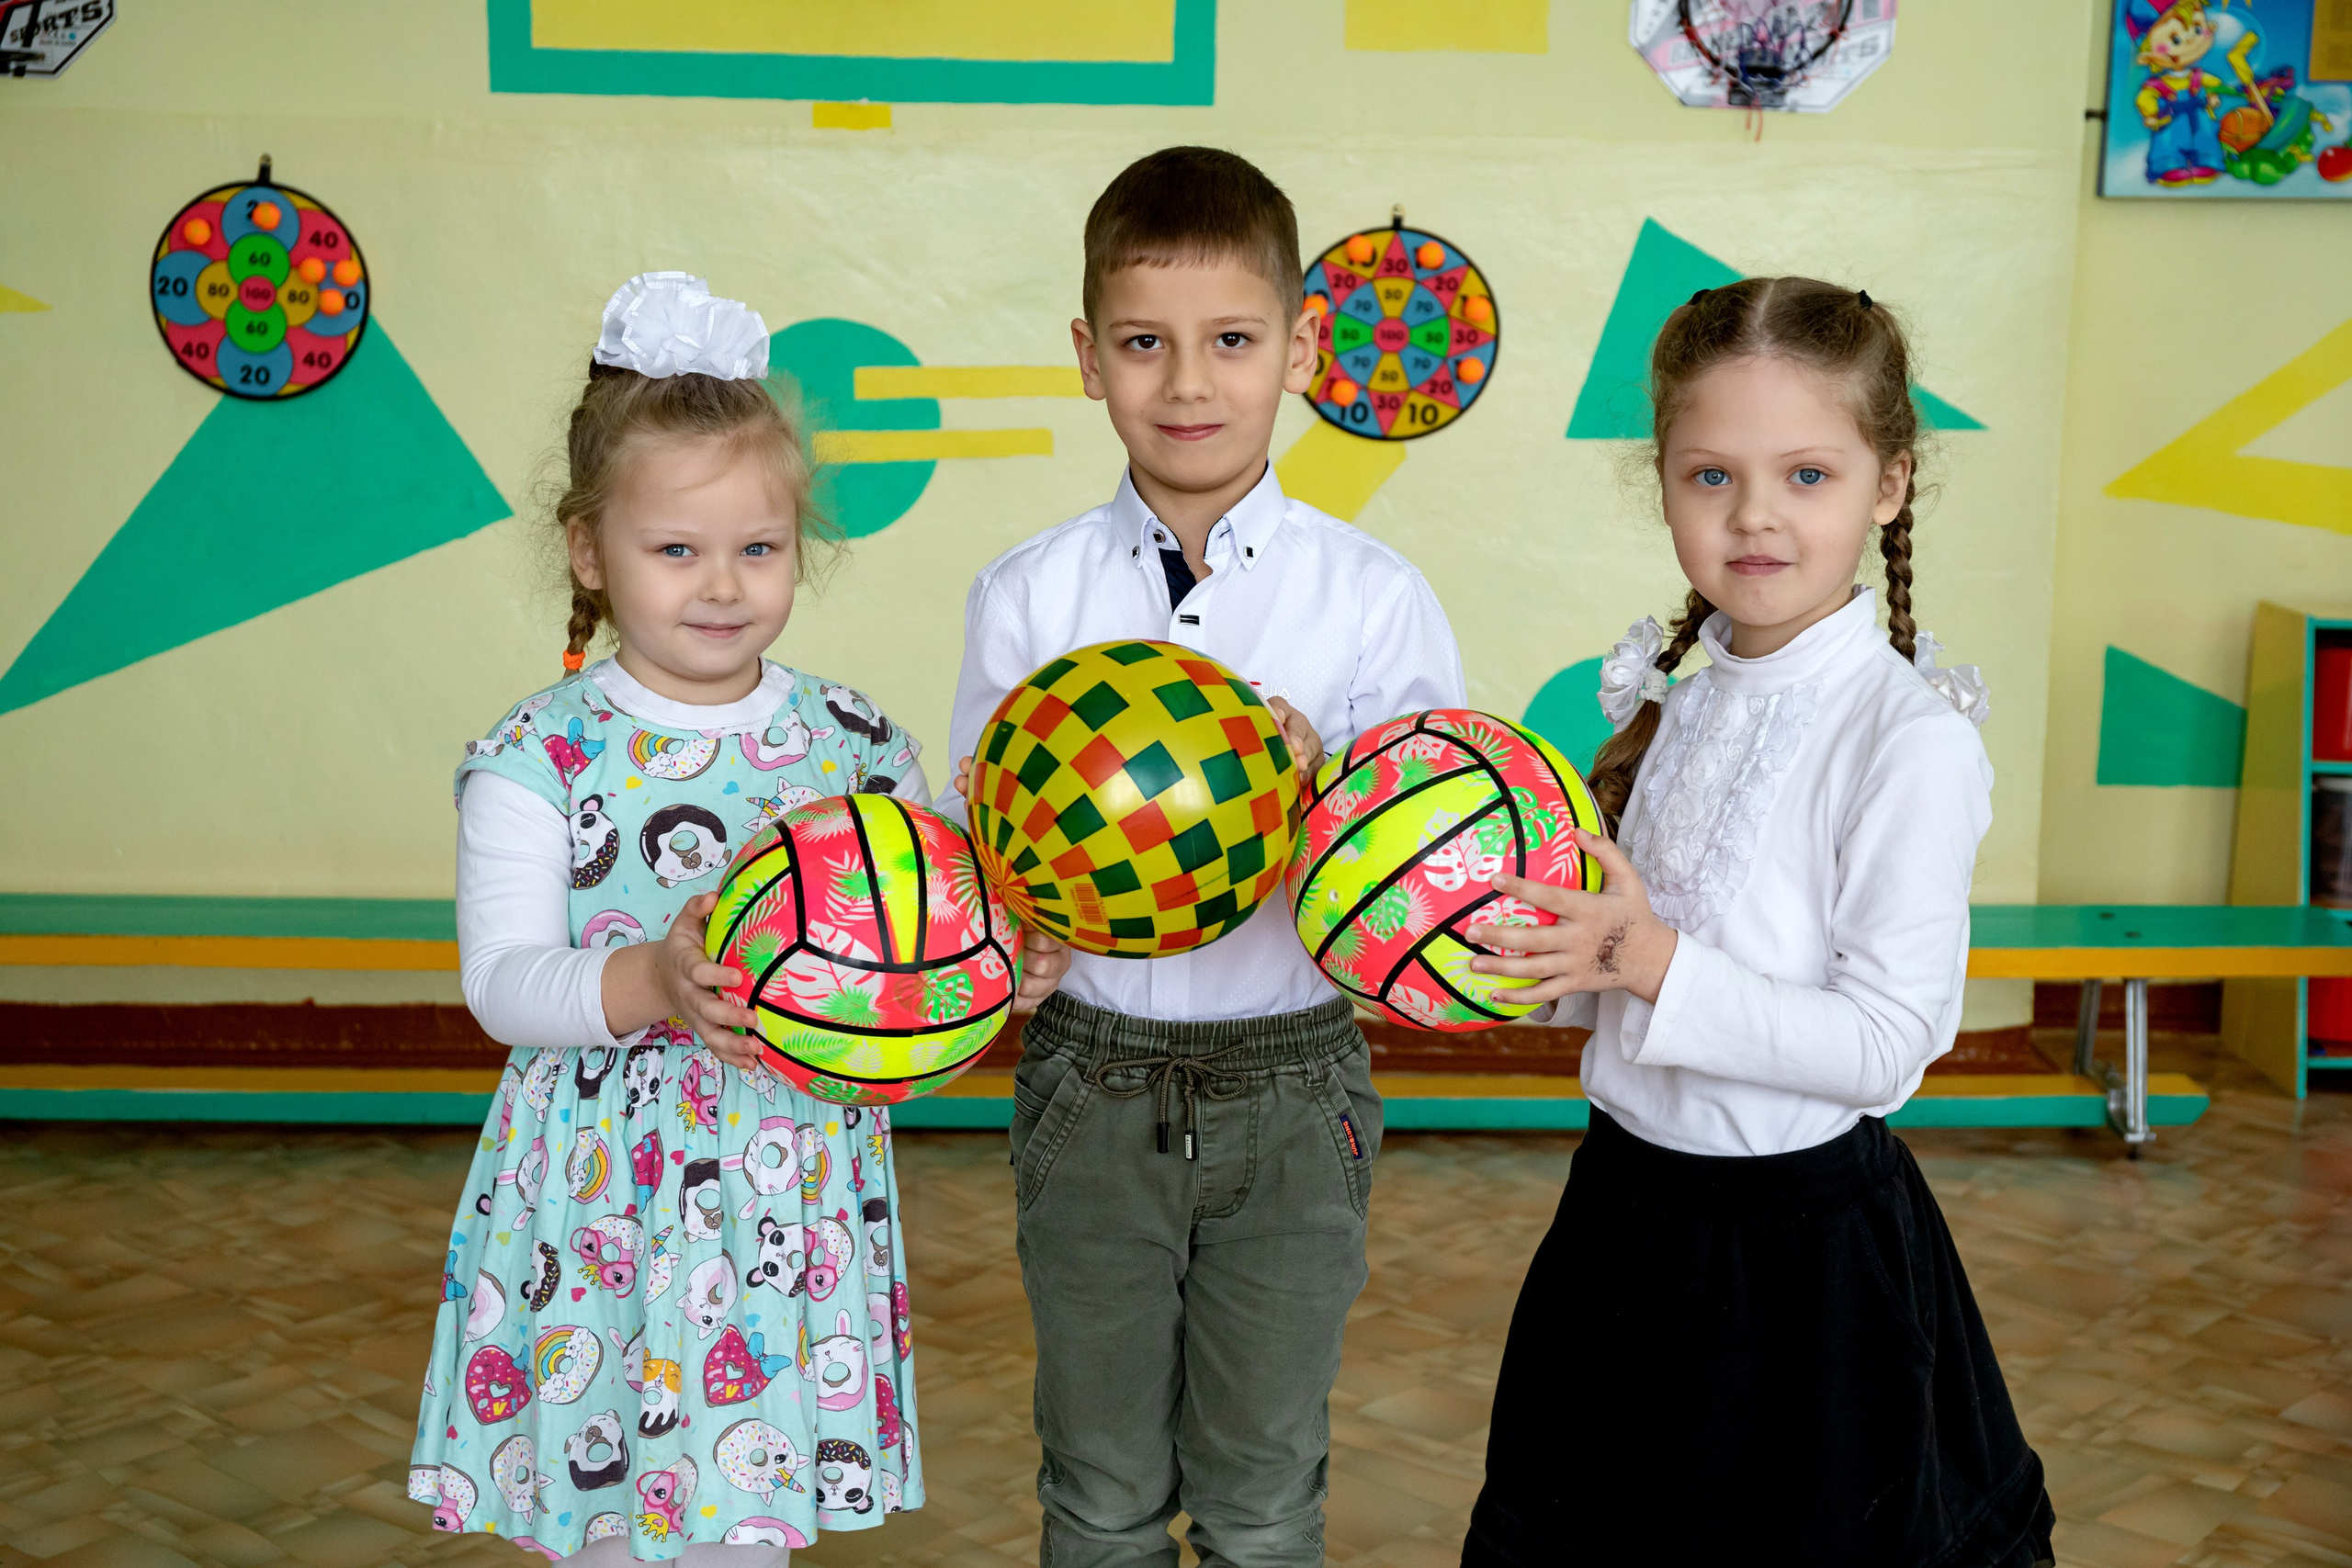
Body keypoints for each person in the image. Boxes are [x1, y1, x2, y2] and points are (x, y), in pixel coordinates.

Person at [407, 272, 1059, 1564]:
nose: (722, 585)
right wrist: (652, 975)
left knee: (740, 1519)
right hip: (603, 1203)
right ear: (591, 550)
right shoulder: (542, 753)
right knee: (612, 1525)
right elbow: (503, 983)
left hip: (787, 1193)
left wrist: (996, 970)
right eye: (676, 550)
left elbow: (932, 936)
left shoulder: (859, 741)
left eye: (757, 549)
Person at [1456, 278, 2052, 1567]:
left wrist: (1641, 957)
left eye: (1808, 475)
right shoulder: (1682, 690)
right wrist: (1533, 960)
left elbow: (1888, 1046)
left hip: (1802, 1268)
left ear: (1890, 485)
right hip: (1622, 1217)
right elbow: (1630, 966)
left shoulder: (1910, 741)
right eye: (1711, 476)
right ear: (1662, 481)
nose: (1756, 516)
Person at [944, 147, 1464, 1566]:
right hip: (1088, 1083)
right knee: (1101, 1488)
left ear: (1298, 350)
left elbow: (1433, 869)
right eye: (1144, 344)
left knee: (1261, 1493)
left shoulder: (1372, 599)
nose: (1188, 384)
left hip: (1296, 1087)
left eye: (1232, 341)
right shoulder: (1028, 594)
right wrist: (1009, 949)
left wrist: (1325, 790)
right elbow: (981, 858)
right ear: (1087, 358)